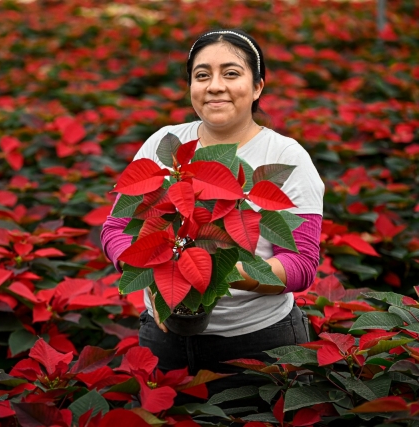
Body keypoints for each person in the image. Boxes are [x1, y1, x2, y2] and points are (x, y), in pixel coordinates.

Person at [100, 29, 324, 397]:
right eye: (202, 75)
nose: (215, 86)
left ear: (257, 87)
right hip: (162, 340)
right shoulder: (165, 144)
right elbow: (115, 228)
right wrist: (154, 272)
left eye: (231, 73)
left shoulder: (287, 156)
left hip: (257, 346)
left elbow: (301, 266)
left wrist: (221, 275)